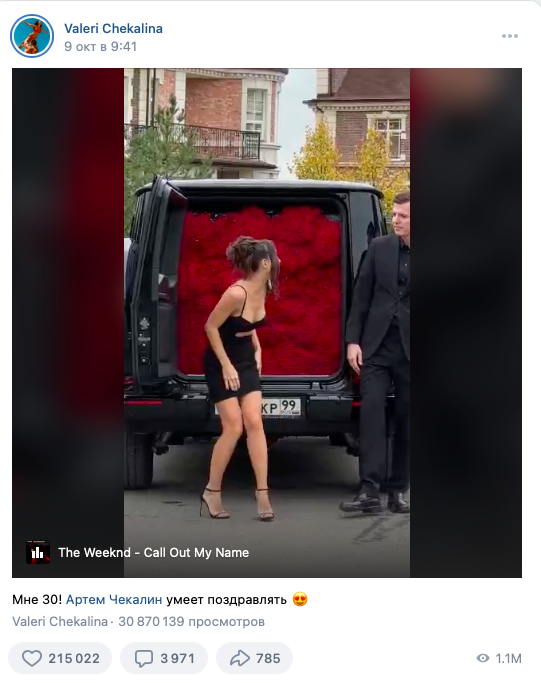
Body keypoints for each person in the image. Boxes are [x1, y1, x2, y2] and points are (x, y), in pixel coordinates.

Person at [340, 191, 410, 514]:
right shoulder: (379, 248)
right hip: (376, 347)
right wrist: (353, 341)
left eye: (402, 216)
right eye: (393, 214)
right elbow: (361, 297)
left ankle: (398, 492)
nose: (395, 220)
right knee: (371, 414)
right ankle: (369, 490)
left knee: (407, 421)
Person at [201, 236, 280, 522]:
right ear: (265, 263)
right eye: (275, 256)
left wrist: (258, 348)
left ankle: (263, 493)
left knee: (255, 421)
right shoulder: (236, 293)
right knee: (234, 426)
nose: (280, 260)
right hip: (221, 360)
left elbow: (247, 323)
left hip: (245, 358)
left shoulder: (265, 287)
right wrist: (226, 366)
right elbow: (211, 327)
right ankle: (212, 491)